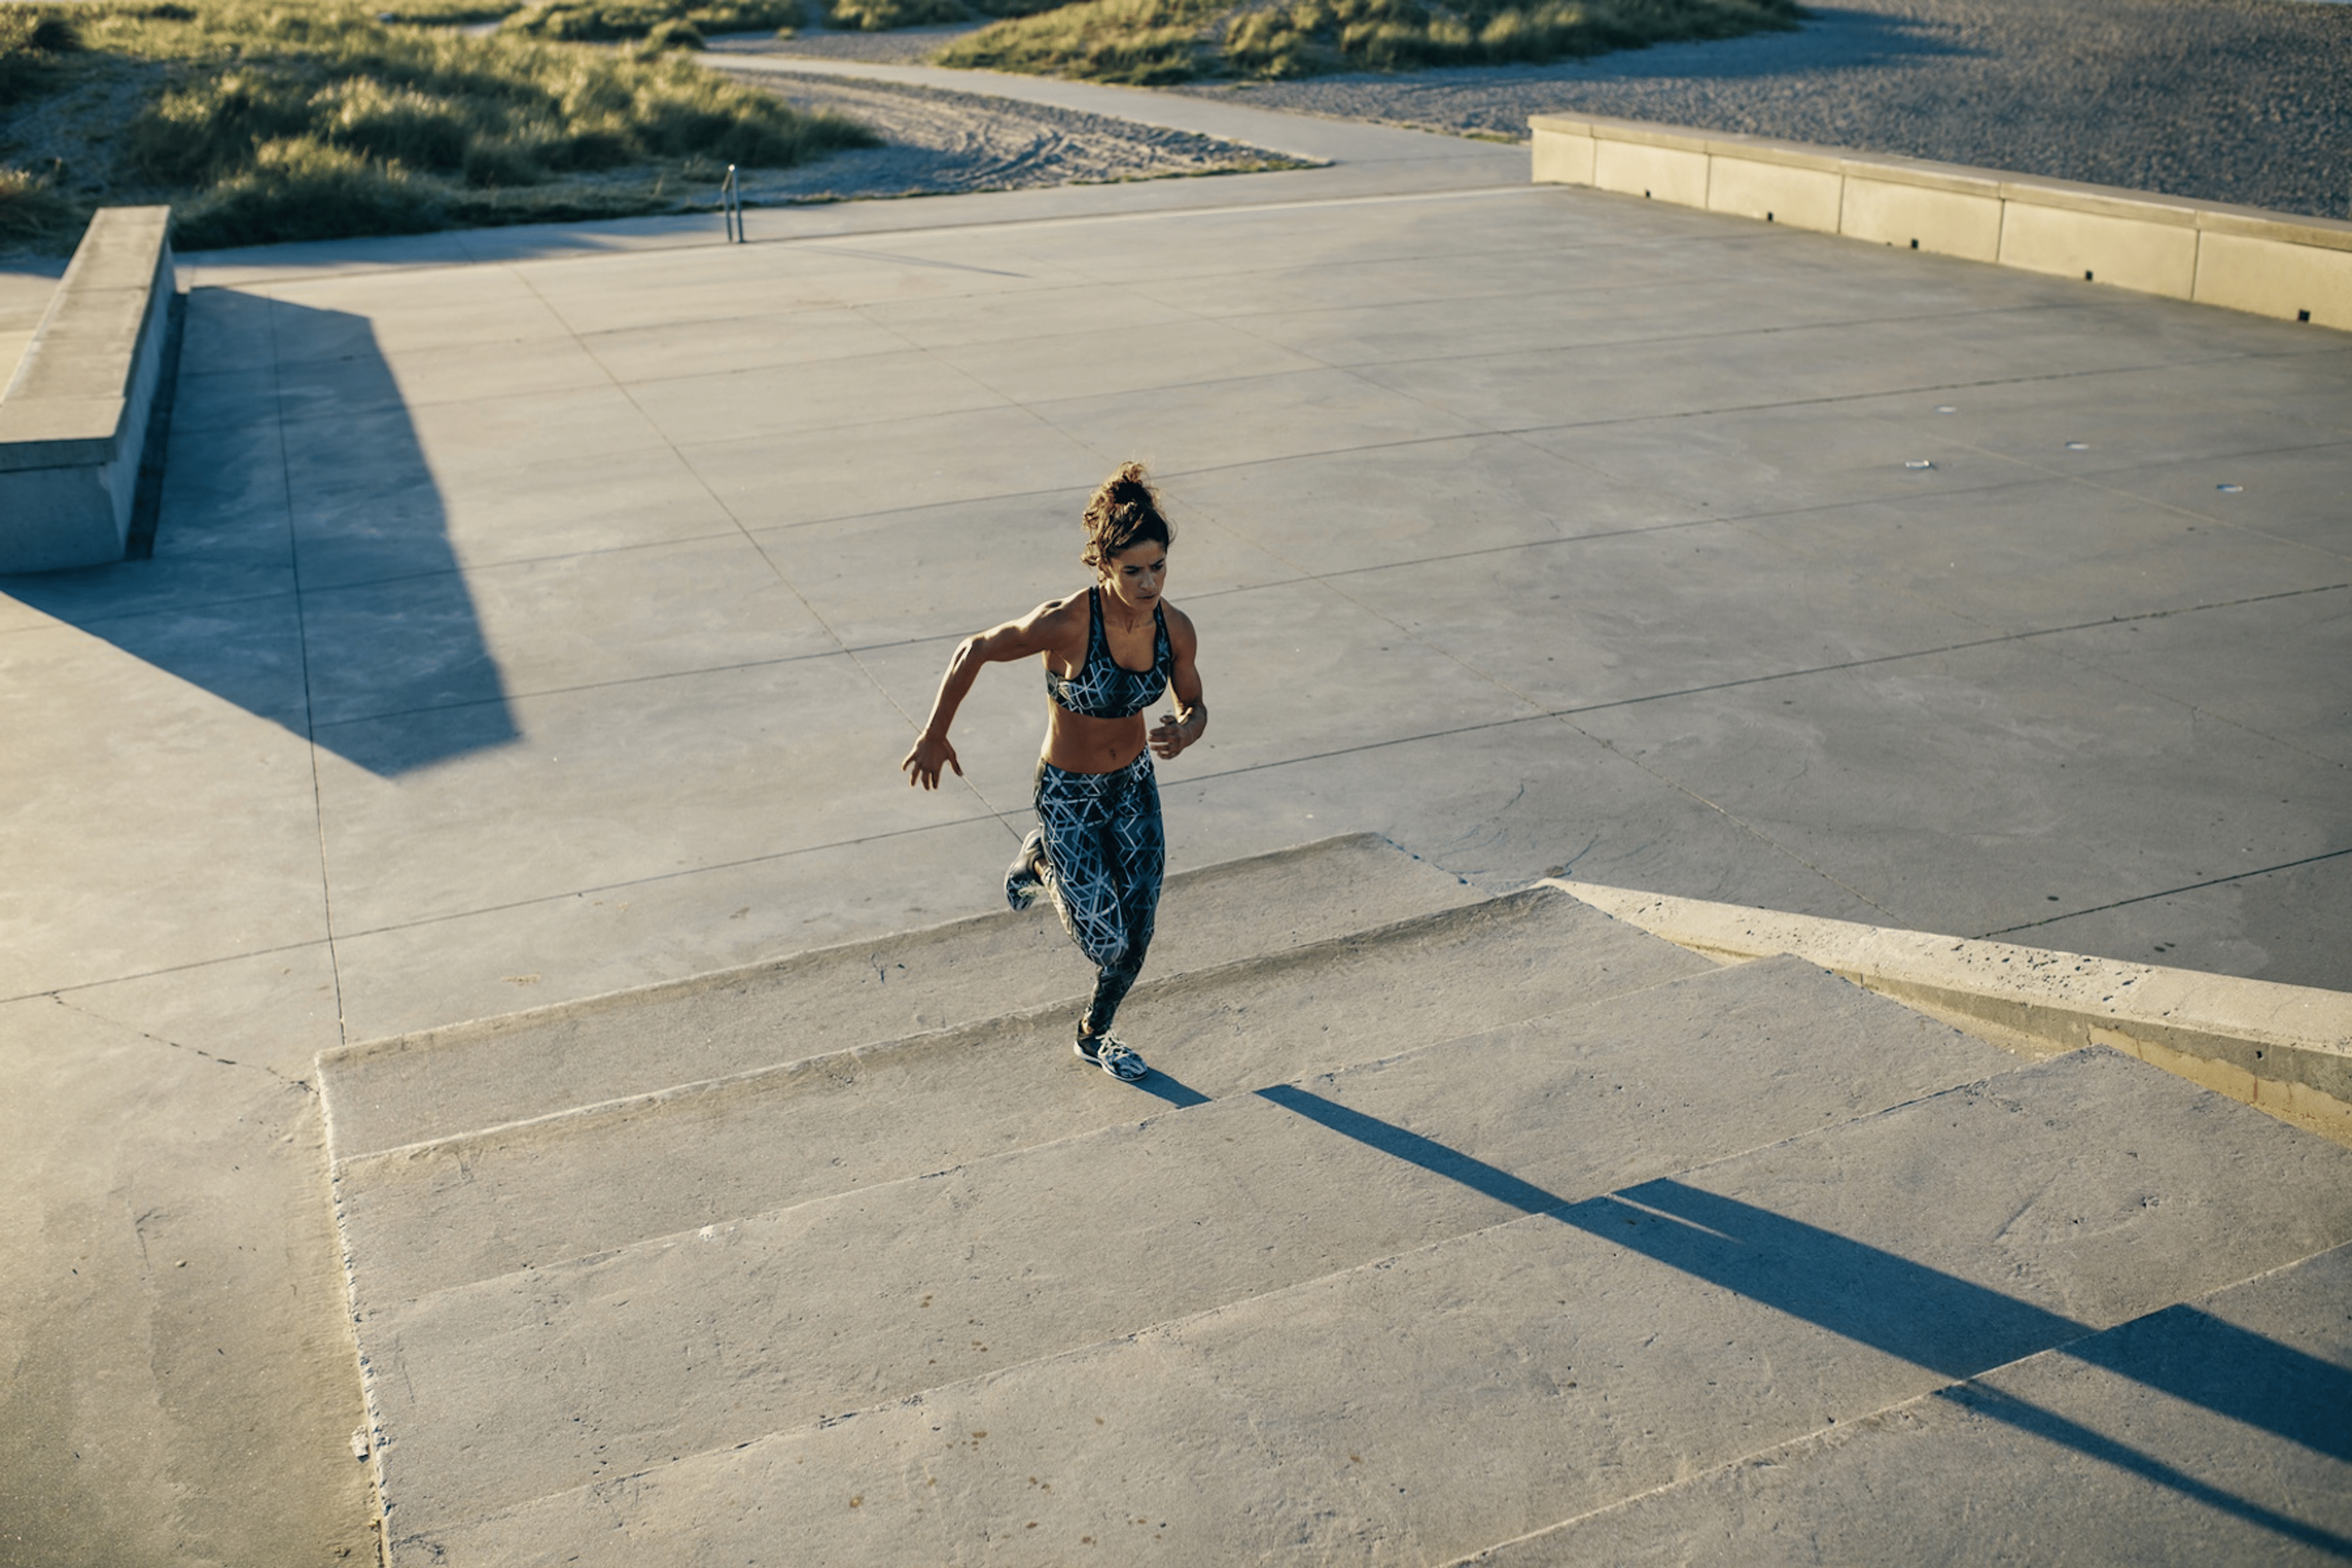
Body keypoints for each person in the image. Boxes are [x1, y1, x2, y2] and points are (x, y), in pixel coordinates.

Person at [900, 463, 1206, 1082]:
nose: (1149, 583)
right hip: (1069, 797)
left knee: (1138, 939)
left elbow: (1195, 705)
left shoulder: (1174, 629)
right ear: (1104, 566)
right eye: (1133, 571)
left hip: (1134, 790)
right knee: (1108, 943)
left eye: (1158, 568)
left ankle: (1095, 1034)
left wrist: (1185, 728)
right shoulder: (1068, 622)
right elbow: (976, 648)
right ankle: (1040, 859)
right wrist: (936, 733)